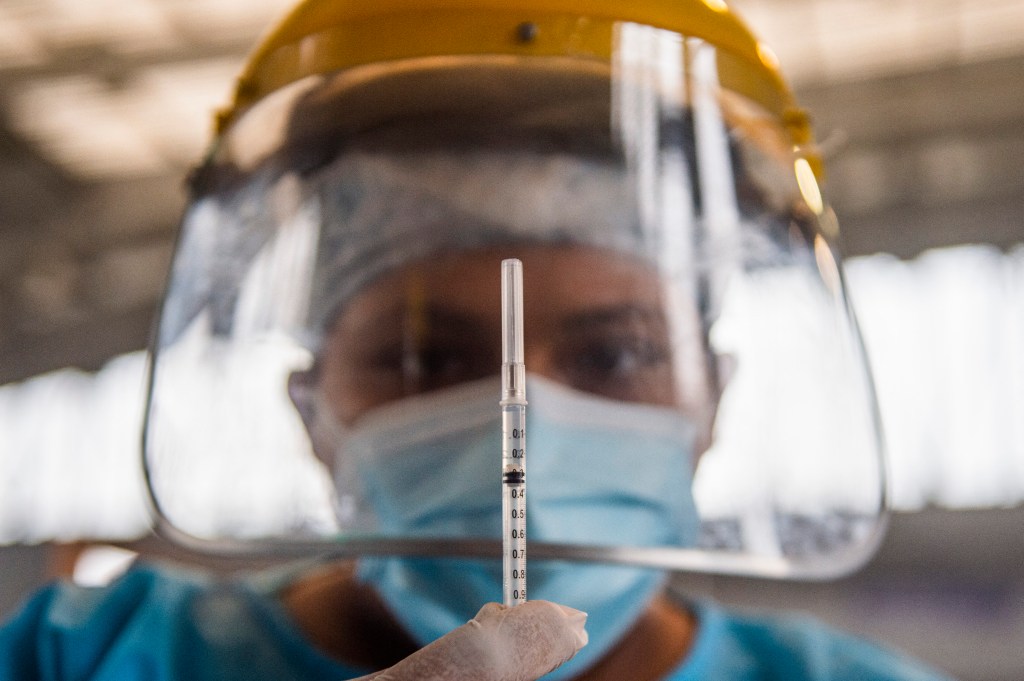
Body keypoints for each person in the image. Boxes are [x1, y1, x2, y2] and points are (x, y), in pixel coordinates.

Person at [0, 1, 956, 679]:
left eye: (615, 354)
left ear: (715, 397)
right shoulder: (80, 659)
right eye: (426, 358)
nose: (524, 423)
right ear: (312, 406)